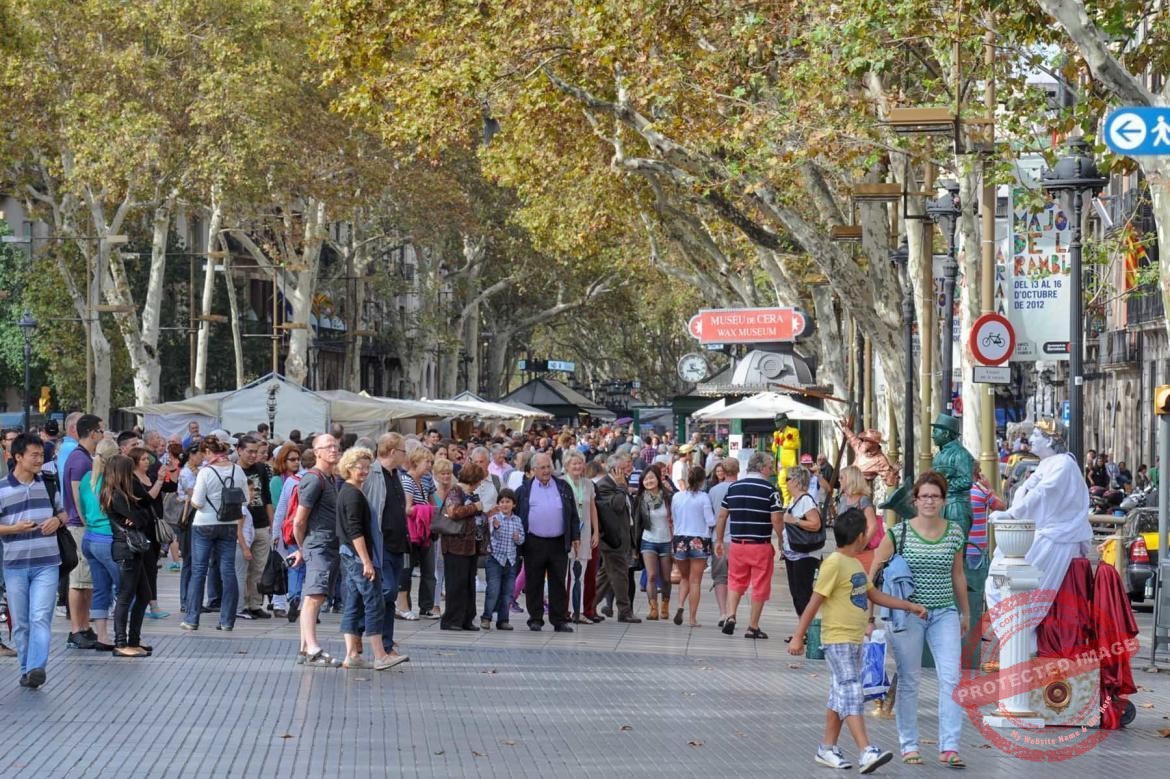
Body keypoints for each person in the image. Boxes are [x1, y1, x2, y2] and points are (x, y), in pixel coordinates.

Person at [788, 508, 924, 773]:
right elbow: (814, 601)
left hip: (854, 640)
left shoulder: (853, 564)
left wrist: (908, 605)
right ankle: (866, 750)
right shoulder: (835, 563)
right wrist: (798, 636)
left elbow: (874, 596)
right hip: (837, 639)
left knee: (840, 693)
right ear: (861, 536)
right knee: (851, 688)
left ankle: (827, 748)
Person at [869, 471, 969, 768]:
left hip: (944, 613)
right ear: (915, 500)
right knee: (910, 680)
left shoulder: (954, 532)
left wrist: (966, 612)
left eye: (935, 496)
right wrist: (870, 617)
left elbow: (958, 575)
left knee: (951, 677)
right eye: (924, 496)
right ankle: (909, 744)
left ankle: (950, 745)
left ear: (943, 500)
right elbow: (873, 573)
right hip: (906, 615)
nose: (929, 501)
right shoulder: (897, 533)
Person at [0, 433, 65, 687]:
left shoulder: (48, 482)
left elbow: (63, 512)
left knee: (40, 616)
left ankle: (38, 667)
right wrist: (14, 529)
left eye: (41, 455)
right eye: (34, 455)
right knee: (21, 622)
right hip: (15, 565)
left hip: (47, 562)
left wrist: (57, 521)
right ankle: (27, 669)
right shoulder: (2, 488)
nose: (40, 460)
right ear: (18, 457)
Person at [334, 446, 402, 670]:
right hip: (357, 556)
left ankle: (352, 654)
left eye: (366, 467)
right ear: (348, 468)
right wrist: (366, 560)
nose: (363, 471)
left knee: (353, 603)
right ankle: (380, 655)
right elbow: (355, 531)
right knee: (374, 602)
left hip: (350, 555)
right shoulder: (352, 493)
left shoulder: (351, 490)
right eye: (358, 467)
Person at [288, 434, 344, 667]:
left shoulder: (331, 478)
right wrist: (304, 547)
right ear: (317, 452)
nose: (333, 450)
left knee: (313, 596)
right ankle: (312, 647)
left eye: (336, 446)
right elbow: (299, 521)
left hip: (328, 545)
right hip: (319, 545)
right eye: (328, 447)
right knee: (314, 596)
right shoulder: (313, 480)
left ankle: (304, 648)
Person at [713, 451, 782, 639]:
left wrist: (719, 540)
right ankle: (752, 627)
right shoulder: (770, 489)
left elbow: (722, 516)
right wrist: (782, 540)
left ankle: (730, 615)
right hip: (760, 545)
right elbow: (776, 519)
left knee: (735, 581)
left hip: (737, 545)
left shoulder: (734, 487)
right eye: (769, 467)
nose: (771, 470)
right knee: (759, 585)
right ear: (761, 468)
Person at [181, 436, 244, 633]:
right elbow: (246, 499)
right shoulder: (237, 469)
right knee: (228, 571)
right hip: (229, 524)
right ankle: (227, 621)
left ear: (208, 452)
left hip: (204, 524)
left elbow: (197, 502)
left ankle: (192, 619)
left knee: (199, 570)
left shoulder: (206, 472)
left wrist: (193, 501)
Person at [514, 453, 581, 632]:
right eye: (542, 468)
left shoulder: (563, 487)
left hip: (558, 542)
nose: (546, 471)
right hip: (533, 542)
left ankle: (559, 619)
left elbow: (573, 514)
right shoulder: (524, 490)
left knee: (558, 581)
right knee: (534, 581)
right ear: (534, 470)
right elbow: (517, 515)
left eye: (548, 467)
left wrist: (575, 537)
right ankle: (535, 618)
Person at [103, 454, 157, 658]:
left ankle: (134, 640)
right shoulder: (116, 495)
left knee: (144, 594)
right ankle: (120, 642)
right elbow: (141, 518)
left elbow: (145, 516)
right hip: (125, 548)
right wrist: (138, 518)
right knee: (125, 596)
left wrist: (139, 517)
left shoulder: (124, 495)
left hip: (134, 548)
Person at [361, 434, 409, 662]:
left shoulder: (397, 474)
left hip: (397, 543)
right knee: (386, 591)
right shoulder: (373, 474)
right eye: (403, 450)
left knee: (389, 596)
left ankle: (387, 645)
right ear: (392, 451)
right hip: (380, 544)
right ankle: (365, 630)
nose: (405, 455)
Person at [64, 414, 104, 650]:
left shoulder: (85, 458)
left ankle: (84, 626)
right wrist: (86, 521)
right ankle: (76, 629)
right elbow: (77, 495)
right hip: (79, 527)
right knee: (78, 580)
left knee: (86, 581)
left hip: (83, 526)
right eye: (101, 430)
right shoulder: (80, 460)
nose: (102, 435)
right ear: (92, 433)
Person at [78, 439, 121, 651]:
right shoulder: (114, 480)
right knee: (126, 586)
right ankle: (124, 635)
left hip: (90, 538)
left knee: (100, 588)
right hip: (108, 539)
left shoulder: (87, 478)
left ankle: (103, 636)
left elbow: (81, 507)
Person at [439, 463, 486, 631]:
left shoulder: (469, 493)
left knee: (468, 584)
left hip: (470, 546)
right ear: (473, 479)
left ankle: (466, 618)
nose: (480, 483)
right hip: (455, 546)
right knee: (456, 584)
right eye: (479, 480)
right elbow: (453, 512)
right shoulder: (455, 491)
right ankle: (452, 620)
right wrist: (475, 507)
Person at [594, 453, 641, 623]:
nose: (627, 469)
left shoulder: (621, 483)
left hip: (622, 537)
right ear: (614, 469)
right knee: (621, 575)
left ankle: (588, 606)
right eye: (623, 467)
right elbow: (617, 506)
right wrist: (622, 487)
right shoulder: (604, 485)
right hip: (611, 538)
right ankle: (624, 610)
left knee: (606, 576)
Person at [670, 466, 715, 627]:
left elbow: (674, 518)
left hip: (680, 538)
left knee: (684, 577)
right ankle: (692, 619)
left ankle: (680, 604)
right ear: (703, 480)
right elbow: (710, 521)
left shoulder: (677, 497)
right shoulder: (704, 498)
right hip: (699, 539)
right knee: (695, 581)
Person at [235, 435, 274, 619]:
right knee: (242, 568)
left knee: (259, 567)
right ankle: (240, 604)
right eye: (249, 451)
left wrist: (272, 523)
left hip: (261, 524)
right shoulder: (233, 471)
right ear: (239, 450)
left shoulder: (261, 469)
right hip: (241, 525)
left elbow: (267, 497)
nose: (252, 455)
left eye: (255, 451)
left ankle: (255, 603)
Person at [399, 446, 437, 620]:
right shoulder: (406, 480)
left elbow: (434, 502)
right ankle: (404, 606)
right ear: (416, 462)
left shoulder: (427, 480)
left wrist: (433, 510)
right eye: (426, 461)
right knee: (406, 570)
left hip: (426, 531)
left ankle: (427, 606)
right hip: (411, 532)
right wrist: (427, 510)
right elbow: (407, 509)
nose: (430, 465)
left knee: (429, 570)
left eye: (431, 461)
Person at [781, 466, 824, 623]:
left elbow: (815, 524)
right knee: (796, 593)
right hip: (793, 553)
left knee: (802, 593)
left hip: (804, 554)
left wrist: (795, 521)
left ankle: (806, 629)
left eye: (787, 479)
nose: (785, 483)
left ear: (796, 481)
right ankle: (803, 628)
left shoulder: (806, 500)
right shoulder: (796, 500)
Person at [562, 450, 600, 623]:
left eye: (579, 463)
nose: (577, 466)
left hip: (584, 532)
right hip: (566, 532)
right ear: (566, 466)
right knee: (564, 573)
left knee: (581, 573)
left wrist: (596, 531)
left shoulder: (588, 484)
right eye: (573, 463)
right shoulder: (561, 483)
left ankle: (578, 610)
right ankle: (563, 610)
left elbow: (592, 508)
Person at [632, 466, 673, 621]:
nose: (649, 481)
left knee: (667, 578)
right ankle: (653, 608)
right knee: (651, 576)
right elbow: (636, 523)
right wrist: (635, 546)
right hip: (648, 540)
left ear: (658, 478)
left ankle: (665, 606)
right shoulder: (640, 499)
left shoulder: (668, 496)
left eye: (651, 477)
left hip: (666, 541)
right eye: (645, 479)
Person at [481, 487, 524, 630]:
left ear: (514, 504)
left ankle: (503, 619)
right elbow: (492, 537)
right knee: (493, 590)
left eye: (508, 501)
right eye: (502, 501)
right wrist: (496, 528)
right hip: (495, 559)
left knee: (508, 592)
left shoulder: (517, 520)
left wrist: (518, 538)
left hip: (510, 560)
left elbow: (521, 540)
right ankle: (486, 617)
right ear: (498, 504)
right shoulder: (495, 518)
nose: (505, 504)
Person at [707, 456, 739, 627]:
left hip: (717, 540)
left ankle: (722, 612)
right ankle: (731, 612)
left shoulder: (713, 491)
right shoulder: (741, 488)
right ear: (738, 470)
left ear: (723, 472)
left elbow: (711, 517)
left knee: (720, 577)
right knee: (735, 577)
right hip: (737, 540)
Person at [836, 465, 883, 574]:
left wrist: (861, 546)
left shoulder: (863, 500)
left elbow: (873, 526)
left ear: (850, 479)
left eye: (842, 478)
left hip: (861, 552)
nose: (839, 480)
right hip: (844, 550)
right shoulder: (843, 499)